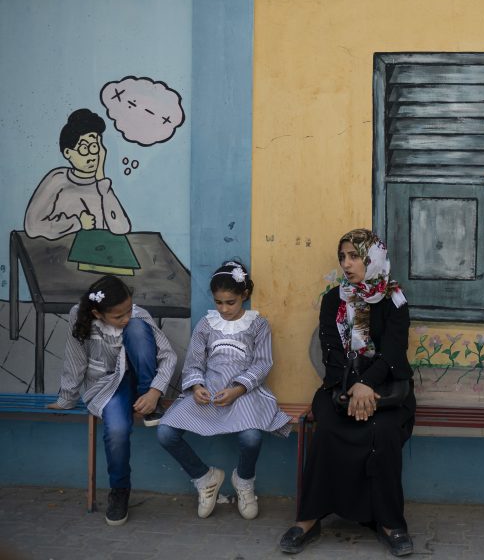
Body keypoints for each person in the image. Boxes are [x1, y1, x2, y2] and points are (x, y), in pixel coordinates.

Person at [279, 229, 415, 557]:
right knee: (326, 430)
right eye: (343, 257)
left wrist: (368, 386)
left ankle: (389, 523)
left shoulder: (394, 300)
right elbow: (332, 353)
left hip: (387, 388)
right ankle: (309, 520)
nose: (347, 263)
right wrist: (354, 386)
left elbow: (394, 351)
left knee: (382, 432)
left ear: (373, 258)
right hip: (341, 386)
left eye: (354, 256)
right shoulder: (334, 300)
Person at [157, 261, 291, 520]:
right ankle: (205, 478)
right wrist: (196, 387)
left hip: (244, 394)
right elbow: (194, 362)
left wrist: (238, 389)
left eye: (230, 302)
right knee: (165, 433)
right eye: (219, 302)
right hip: (209, 394)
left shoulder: (258, 325)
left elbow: (263, 363)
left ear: (244, 296)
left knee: (251, 438)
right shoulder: (206, 325)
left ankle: (244, 480)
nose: (224, 309)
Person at [47, 275, 177, 526]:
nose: (126, 317)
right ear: (97, 312)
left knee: (138, 328)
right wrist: (66, 398)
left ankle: (150, 406)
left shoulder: (137, 317)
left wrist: (154, 392)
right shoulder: (79, 315)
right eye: (118, 316)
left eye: (128, 309)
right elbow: (75, 359)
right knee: (116, 430)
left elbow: (168, 356)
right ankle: (120, 491)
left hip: (141, 381)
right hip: (107, 386)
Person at [25, 108, 131, 240]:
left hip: (98, 255)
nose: (91, 156)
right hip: (61, 254)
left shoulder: (102, 186)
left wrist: (101, 180)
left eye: (94, 147)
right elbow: (32, 226)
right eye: (84, 148)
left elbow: (121, 228)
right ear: (68, 152)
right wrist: (77, 223)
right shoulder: (58, 179)